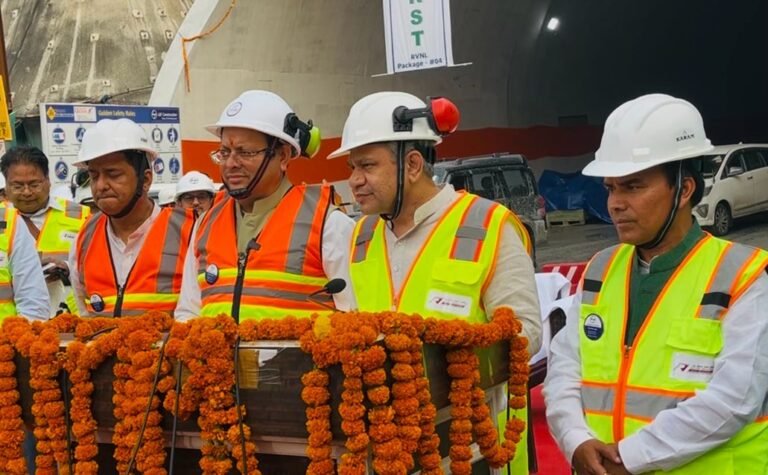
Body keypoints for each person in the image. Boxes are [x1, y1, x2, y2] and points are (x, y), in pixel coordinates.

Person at [544, 94, 768, 475]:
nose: (614, 203)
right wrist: (576, 440)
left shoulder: (742, 277)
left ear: (684, 189)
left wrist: (628, 458)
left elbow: (733, 399)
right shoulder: (601, 271)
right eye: (611, 188)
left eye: (632, 187)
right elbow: (564, 367)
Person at [329, 91, 542, 474]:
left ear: (412, 164)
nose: (354, 181)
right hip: (391, 451)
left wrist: (442, 364)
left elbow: (526, 336)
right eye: (352, 167)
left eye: (367, 166)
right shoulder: (361, 234)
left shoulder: (488, 225)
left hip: (474, 450)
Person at [174, 90, 355, 321]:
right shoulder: (205, 223)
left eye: (245, 152)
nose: (230, 163)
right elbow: (188, 313)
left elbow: (354, 317)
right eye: (224, 152)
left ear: (283, 156)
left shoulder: (329, 224)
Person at [68, 118, 196, 317]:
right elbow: (85, 316)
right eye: (94, 176)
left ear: (146, 179)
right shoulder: (84, 238)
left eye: (113, 174)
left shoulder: (189, 230)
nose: (101, 185)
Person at [1, 146, 90, 316]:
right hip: (17, 325)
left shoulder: (80, 216)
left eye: (34, 184)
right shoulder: (2, 219)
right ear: (6, 185)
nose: (27, 192)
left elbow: (101, 267)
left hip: (71, 321)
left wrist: (67, 268)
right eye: (17, 186)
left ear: (48, 180)